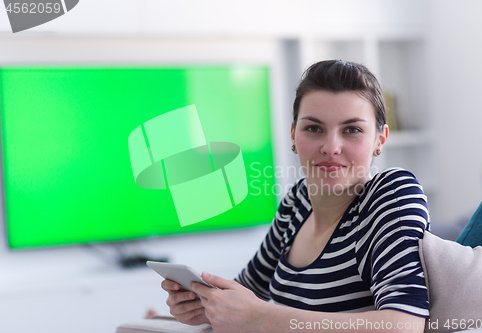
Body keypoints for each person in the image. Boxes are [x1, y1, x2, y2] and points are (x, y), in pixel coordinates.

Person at [161, 60, 430, 333]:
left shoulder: (391, 193)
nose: (331, 147)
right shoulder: (298, 201)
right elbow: (246, 293)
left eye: (352, 130)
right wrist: (203, 306)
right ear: (293, 133)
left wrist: (262, 318)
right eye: (314, 128)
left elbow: (404, 325)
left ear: (380, 139)